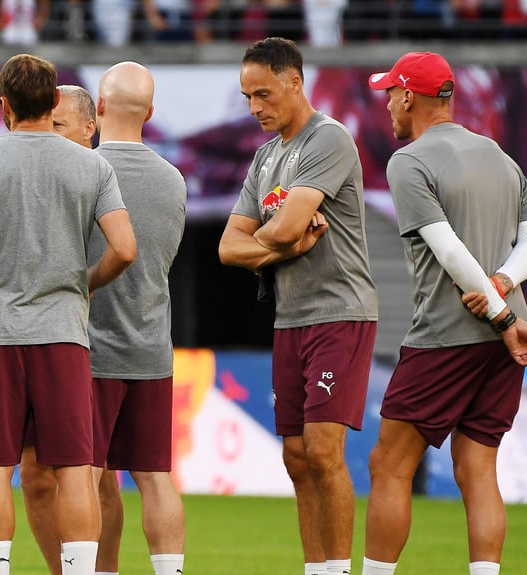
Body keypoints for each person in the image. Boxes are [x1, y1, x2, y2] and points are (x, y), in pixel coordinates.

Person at [0, 53, 136, 575]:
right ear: (54, 102)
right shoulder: (93, 164)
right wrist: (84, 283)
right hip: (63, 334)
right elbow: (124, 248)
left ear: (3, 105)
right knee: (75, 468)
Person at [362, 52, 527, 575]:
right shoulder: (500, 156)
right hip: (513, 329)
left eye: (390, 92)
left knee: (390, 464)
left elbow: (449, 251)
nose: (387, 102)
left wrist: (498, 315)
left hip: (450, 333)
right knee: (478, 467)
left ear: (409, 96)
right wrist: (506, 288)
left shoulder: (408, 161)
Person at [218, 37, 378, 575]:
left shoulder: (328, 139)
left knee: (322, 448)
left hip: (340, 311)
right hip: (290, 317)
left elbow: (274, 229)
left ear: (294, 81)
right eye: (246, 97)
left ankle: (338, 571)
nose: (255, 107)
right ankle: (316, 569)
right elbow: (225, 247)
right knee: (294, 456)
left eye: (263, 93)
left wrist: (270, 242)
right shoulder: (265, 157)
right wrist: (287, 245)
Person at [16, 83, 125, 575]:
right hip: (43, 340)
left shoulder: (107, 176)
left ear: (90, 127)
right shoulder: (24, 176)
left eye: (58, 126)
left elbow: (133, 257)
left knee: (96, 474)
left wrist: (83, 284)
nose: (48, 135)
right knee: (36, 474)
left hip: (106, 345)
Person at [89, 61, 187, 575]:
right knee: (154, 475)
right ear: (150, 112)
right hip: (151, 345)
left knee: (88, 476)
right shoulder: (174, 180)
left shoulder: (84, 169)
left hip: (90, 348)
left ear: (98, 106)